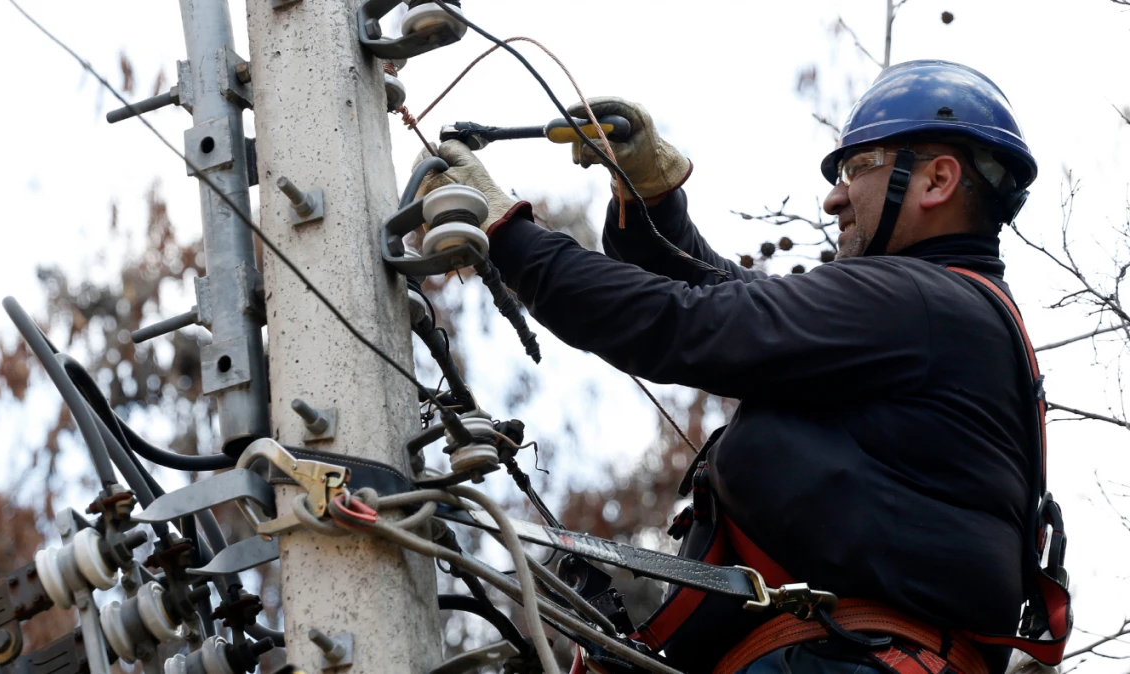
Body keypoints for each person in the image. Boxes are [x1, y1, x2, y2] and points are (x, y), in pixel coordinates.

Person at [414, 60, 1067, 674]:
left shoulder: (920, 302)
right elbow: (730, 307)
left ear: (936, 181)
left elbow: (690, 323)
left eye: (856, 168)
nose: (835, 201)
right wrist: (653, 206)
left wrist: (505, 235)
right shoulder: (938, 314)